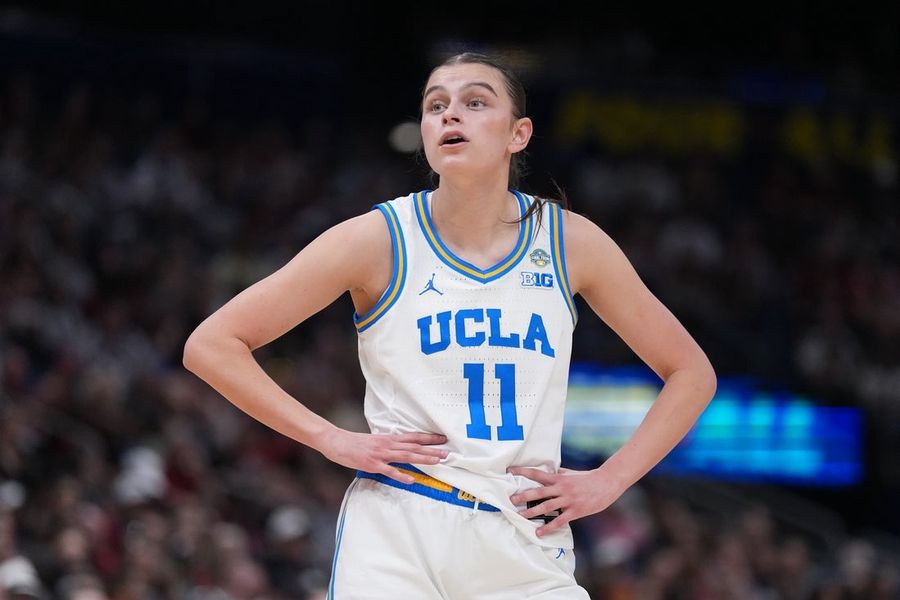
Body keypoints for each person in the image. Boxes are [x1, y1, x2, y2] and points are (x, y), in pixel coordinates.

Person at [183, 52, 717, 599]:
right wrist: (330, 439)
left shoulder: (571, 242)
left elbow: (691, 373)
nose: (450, 115)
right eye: (435, 106)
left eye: (475, 102)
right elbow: (212, 345)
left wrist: (610, 480)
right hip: (400, 525)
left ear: (518, 134)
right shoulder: (376, 239)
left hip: (524, 534)